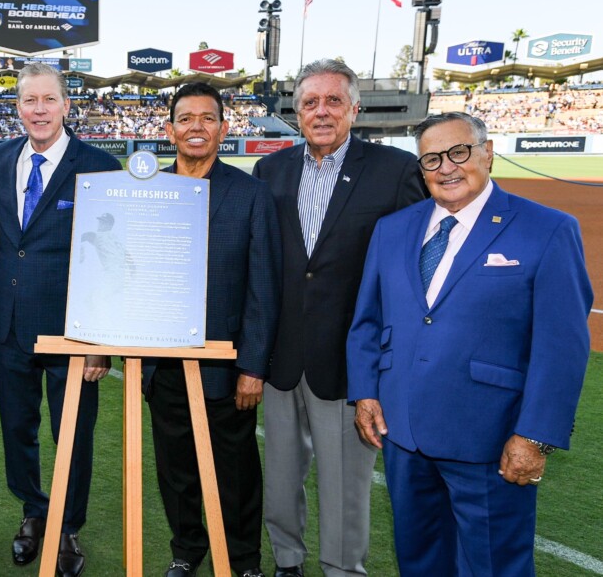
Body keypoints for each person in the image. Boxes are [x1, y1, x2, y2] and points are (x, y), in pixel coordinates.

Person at [347, 112, 593, 576]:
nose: (446, 168)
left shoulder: (547, 229)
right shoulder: (394, 229)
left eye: (458, 152)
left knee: (494, 566)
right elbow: (367, 321)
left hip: (490, 439)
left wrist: (535, 436)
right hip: (404, 434)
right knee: (420, 562)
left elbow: (562, 346)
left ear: (488, 153)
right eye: (431, 159)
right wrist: (365, 393)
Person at [251, 58, 425, 577]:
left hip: (351, 362)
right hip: (282, 357)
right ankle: (287, 561)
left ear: (354, 108)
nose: (321, 111)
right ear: (296, 111)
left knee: (346, 483)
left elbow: (411, 273)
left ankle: (343, 569)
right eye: (310, 102)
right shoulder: (271, 169)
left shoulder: (395, 171)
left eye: (332, 101)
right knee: (280, 478)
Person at [0, 62, 120, 577]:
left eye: (48, 100)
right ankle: (34, 513)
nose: (38, 110)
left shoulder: (99, 164)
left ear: (66, 105)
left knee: (74, 434)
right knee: (18, 429)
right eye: (28, 101)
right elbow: (7, 235)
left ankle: (67, 526)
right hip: (9, 326)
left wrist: (100, 340)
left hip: (74, 331)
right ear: (17, 107)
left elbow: (112, 255)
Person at [144, 82, 280, 577]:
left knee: (236, 471)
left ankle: (243, 560)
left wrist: (252, 367)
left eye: (207, 118)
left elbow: (263, 287)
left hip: (225, 365)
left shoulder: (251, 194)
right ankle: (187, 551)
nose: (196, 127)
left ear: (223, 127)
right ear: (169, 129)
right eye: (186, 118)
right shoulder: (149, 191)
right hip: (163, 364)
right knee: (176, 471)